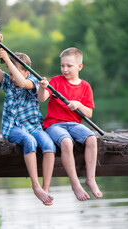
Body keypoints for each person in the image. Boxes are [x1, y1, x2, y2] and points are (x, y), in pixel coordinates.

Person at [0, 32, 56, 206]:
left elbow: (23, 83)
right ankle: (35, 185)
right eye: (9, 73)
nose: (11, 76)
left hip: (33, 125)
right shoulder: (8, 81)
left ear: (26, 71)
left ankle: (45, 188)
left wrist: (8, 60)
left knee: (49, 145)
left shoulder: (32, 81)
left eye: (15, 72)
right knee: (29, 142)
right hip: (13, 128)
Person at [38, 47, 103, 201]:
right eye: (62, 66)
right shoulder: (55, 81)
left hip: (74, 124)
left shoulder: (85, 86)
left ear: (80, 66)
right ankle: (75, 184)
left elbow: (89, 113)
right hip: (54, 125)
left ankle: (91, 179)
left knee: (92, 139)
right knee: (66, 142)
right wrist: (42, 87)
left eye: (69, 66)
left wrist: (78, 104)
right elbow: (41, 98)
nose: (65, 69)